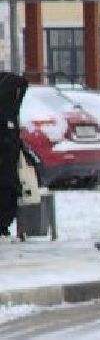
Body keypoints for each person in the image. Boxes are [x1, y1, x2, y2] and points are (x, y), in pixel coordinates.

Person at [0, 72, 26, 240]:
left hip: (10, 161)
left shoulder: (10, 111)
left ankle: (5, 224)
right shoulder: (5, 111)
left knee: (9, 190)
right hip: (5, 161)